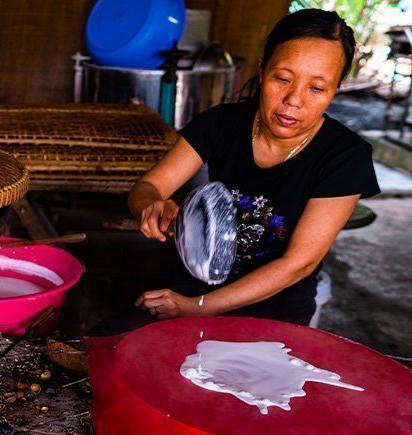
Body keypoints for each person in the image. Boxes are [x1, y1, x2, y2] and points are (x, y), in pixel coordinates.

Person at [127, 9, 380, 326]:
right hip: (191, 285)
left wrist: (197, 307)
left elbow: (298, 264)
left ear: (337, 88)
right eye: (283, 79)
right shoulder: (222, 124)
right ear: (262, 71)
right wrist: (150, 207)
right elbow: (148, 187)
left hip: (274, 314)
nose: (293, 100)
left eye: (316, 88)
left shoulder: (345, 156)